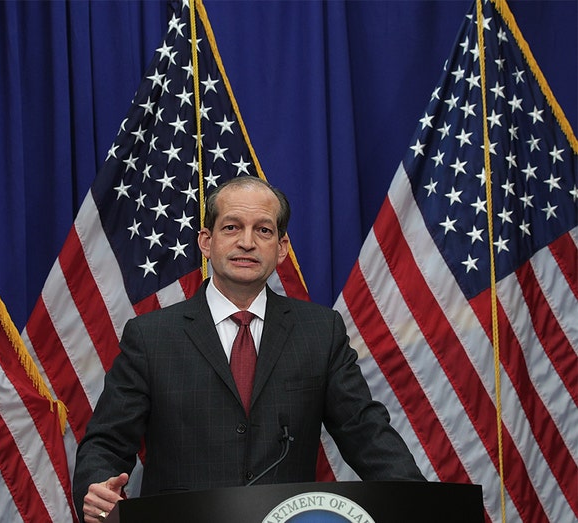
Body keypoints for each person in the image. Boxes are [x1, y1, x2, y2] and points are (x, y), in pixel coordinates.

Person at [72, 175, 424, 522]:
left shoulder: (320, 332)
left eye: (263, 230)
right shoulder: (151, 337)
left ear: (282, 247)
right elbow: (107, 442)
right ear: (206, 241)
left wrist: (420, 503)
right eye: (231, 228)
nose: (247, 242)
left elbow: (365, 431)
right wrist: (97, 489)